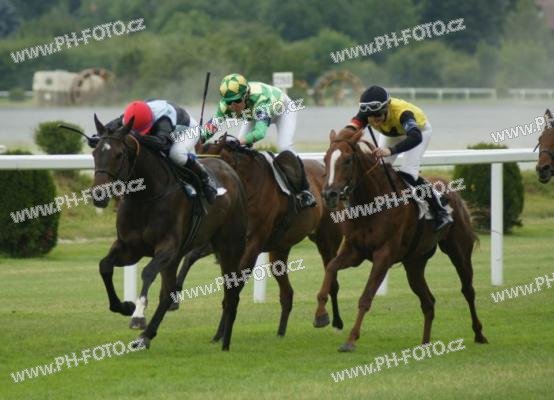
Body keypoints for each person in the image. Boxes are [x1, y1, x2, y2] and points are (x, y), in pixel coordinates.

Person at [346, 85, 452, 231]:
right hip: (391, 133)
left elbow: (415, 137)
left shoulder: (403, 113)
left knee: (408, 173)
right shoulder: (366, 113)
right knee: (376, 171)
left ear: (387, 108)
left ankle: (440, 209)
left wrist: (391, 151)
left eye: (378, 115)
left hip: (418, 133)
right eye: (370, 117)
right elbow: (349, 130)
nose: (374, 120)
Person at [202, 73, 315, 208]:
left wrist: (237, 142)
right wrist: (199, 138)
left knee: (284, 147)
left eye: (237, 100)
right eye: (228, 102)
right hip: (253, 114)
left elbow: (260, 133)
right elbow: (211, 127)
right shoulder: (224, 106)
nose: (233, 106)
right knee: (239, 150)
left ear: (245, 96)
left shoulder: (261, 101)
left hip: (283, 110)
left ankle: (305, 191)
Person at [105, 99, 217, 203]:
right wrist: (99, 137)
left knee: (176, 154)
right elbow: (110, 128)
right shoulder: (131, 115)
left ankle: (205, 178)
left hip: (188, 130)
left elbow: (163, 143)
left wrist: (138, 136)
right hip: (167, 126)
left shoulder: (163, 121)